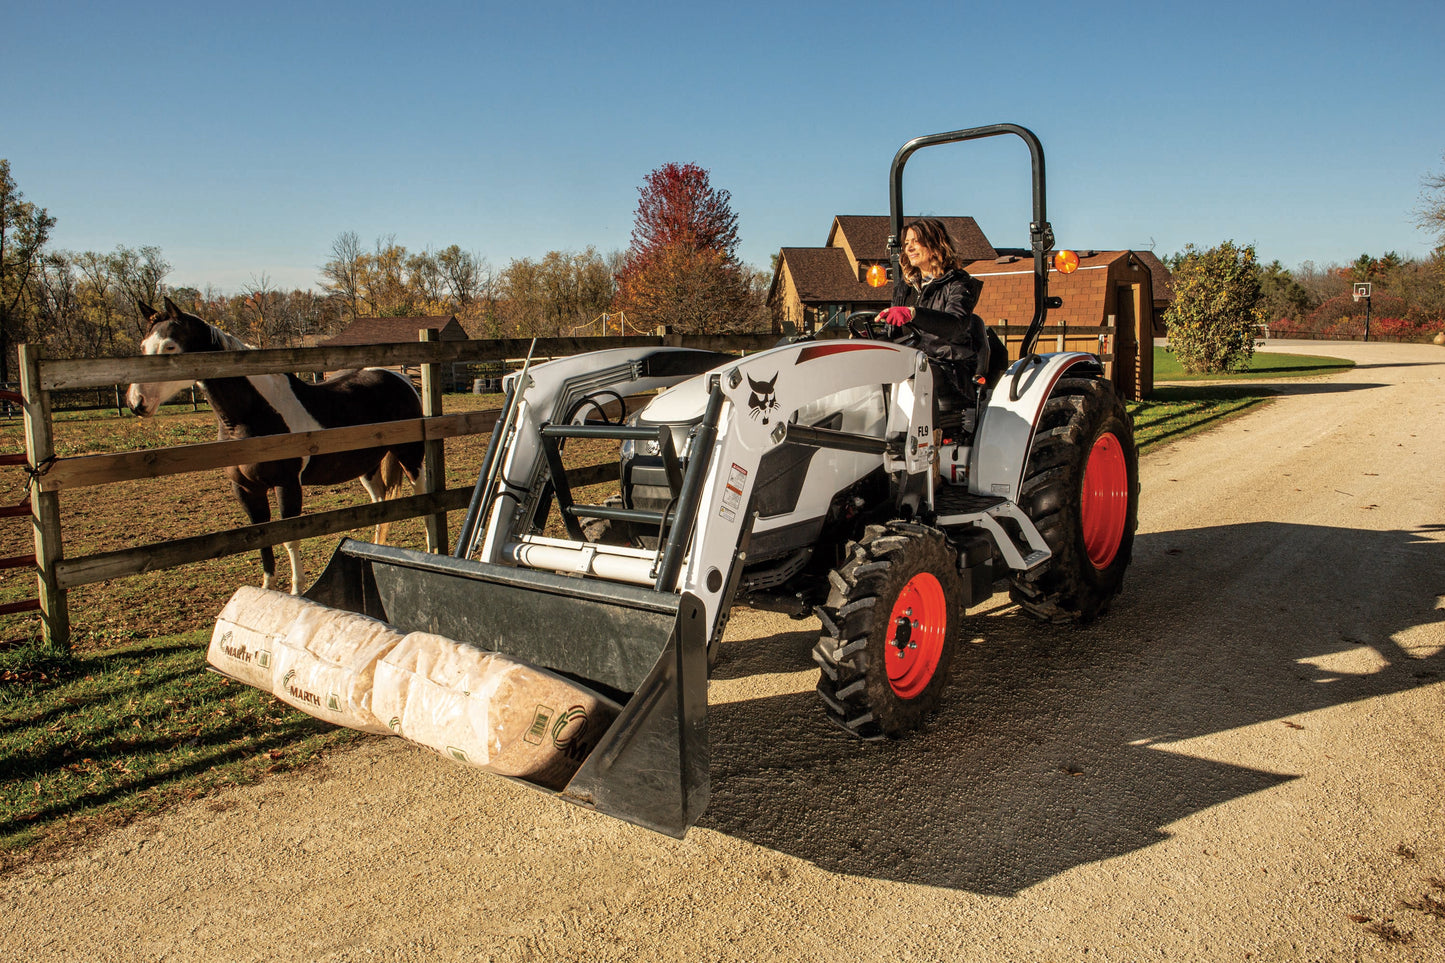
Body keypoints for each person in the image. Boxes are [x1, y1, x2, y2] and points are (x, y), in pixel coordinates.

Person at [876, 218, 991, 402]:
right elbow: (890, 334)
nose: (909, 248)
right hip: (911, 363)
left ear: (935, 244)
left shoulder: (958, 283)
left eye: (916, 241)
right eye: (906, 243)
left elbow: (956, 324)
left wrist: (914, 314)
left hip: (949, 368)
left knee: (913, 380)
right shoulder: (904, 288)